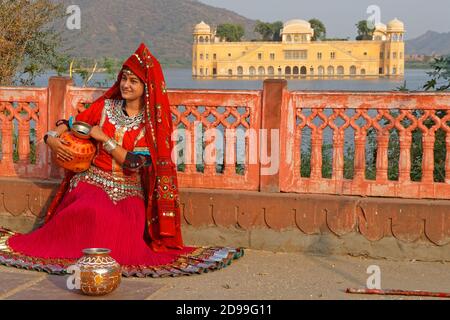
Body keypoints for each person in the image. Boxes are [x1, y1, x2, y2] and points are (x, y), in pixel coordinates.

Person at [0, 43, 243, 277]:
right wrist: (51, 138)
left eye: (133, 81)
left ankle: (99, 260)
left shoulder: (152, 123)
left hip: (128, 189)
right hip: (92, 181)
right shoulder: (105, 107)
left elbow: (137, 163)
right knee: (90, 210)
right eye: (124, 79)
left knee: (120, 224)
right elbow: (71, 125)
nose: (126, 85)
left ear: (146, 87)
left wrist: (105, 139)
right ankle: (79, 257)